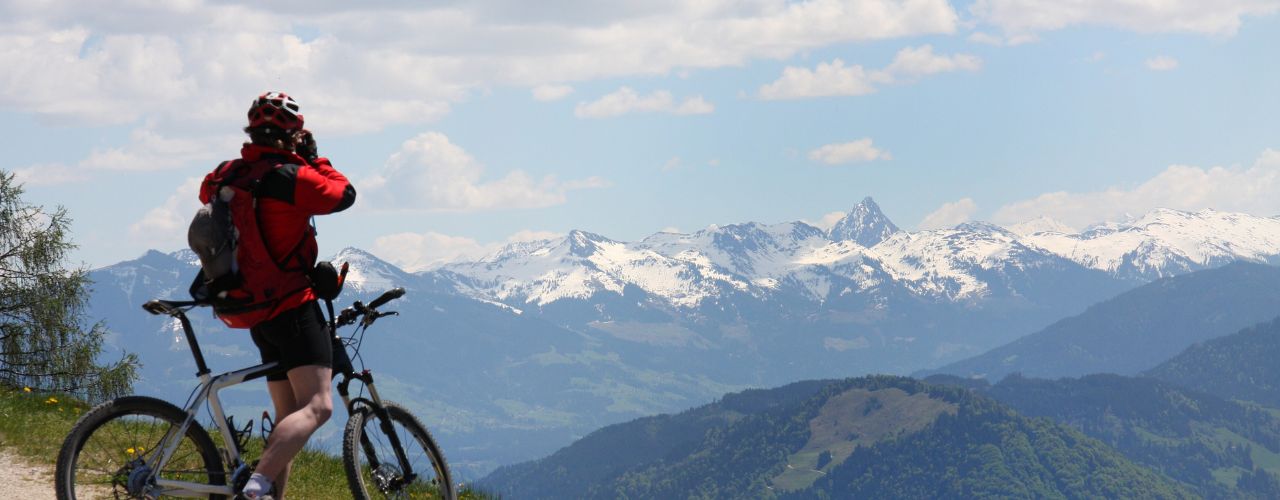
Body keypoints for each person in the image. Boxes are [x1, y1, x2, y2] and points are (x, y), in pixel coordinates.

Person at [199, 91, 356, 499]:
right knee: (318, 406)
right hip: (291, 307)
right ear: (292, 135)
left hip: (254, 311)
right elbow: (343, 194)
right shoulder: (291, 177)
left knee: (290, 416)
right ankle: (257, 486)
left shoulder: (226, 173)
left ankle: (267, 492)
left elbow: (207, 195)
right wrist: (314, 157)